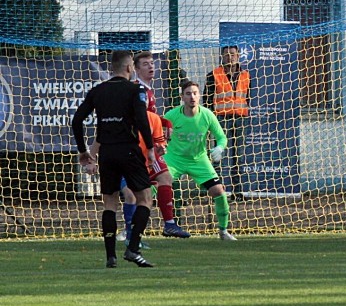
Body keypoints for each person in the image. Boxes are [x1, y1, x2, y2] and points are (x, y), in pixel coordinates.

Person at [71, 50, 159, 268]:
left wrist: (83, 150)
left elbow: (76, 121)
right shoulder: (135, 89)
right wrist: (149, 148)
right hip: (129, 150)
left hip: (107, 154)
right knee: (145, 198)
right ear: (130, 68)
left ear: (112, 67)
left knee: (110, 204)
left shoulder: (98, 91)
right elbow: (141, 120)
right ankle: (133, 248)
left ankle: (111, 256)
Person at [164, 81, 237, 241]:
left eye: (195, 93)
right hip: (174, 159)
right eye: (188, 93)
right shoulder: (171, 116)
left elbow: (222, 137)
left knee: (218, 191)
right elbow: (158, 132)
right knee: (152, 189)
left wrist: (220, 148)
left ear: (200, 96)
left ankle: (223, 231)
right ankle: (132, 230)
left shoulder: (207, 115)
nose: (192, 97)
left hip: (199, 160)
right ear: (182, 97)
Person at [132, 51, 189, 239]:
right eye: (145, 64)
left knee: (139, 190)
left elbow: (150, 118)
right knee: (162, 178)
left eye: (151, 63)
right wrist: (156, 141)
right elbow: (141, 120)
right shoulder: (138, 90)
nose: (151, 67)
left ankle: (134, 230)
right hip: (142, 147)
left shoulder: (147, 90)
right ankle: (167, 225)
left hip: (141, 146)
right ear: (135, 68)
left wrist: (166, 124)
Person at [204, 45, 250, 198]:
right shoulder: (213, 75)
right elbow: (207, 100)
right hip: (220, 119)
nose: (229, 57)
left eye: (233, 54)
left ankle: (238, 191)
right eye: (226, 55)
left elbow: (247, 97)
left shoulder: (245, 75)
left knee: (239, 156)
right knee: (219, 155)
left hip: (240, 119)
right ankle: (219, 191)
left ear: (238, 56)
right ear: (221, 57)